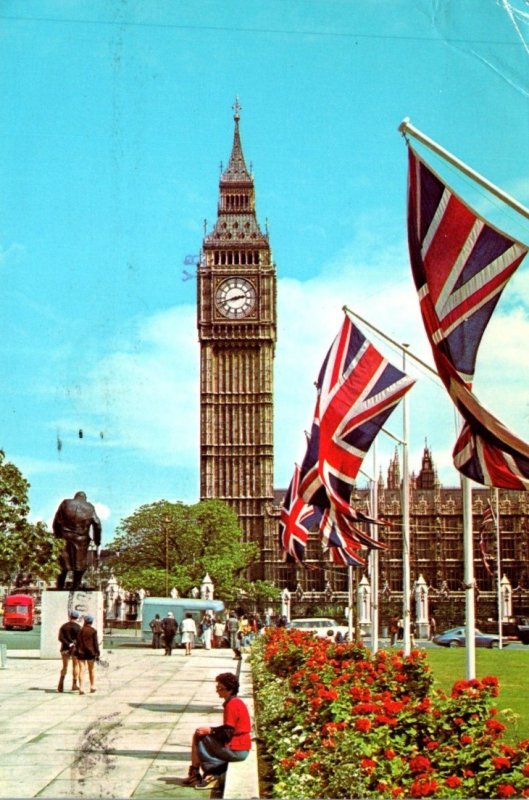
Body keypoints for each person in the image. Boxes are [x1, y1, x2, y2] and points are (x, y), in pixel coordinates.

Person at [183, 672, 252, 790]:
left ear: (229, 689)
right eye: (217, 687)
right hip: (241, 747)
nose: (217, 691)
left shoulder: (232, 704)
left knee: (200, 735)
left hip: (238, 750)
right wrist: (211, 731)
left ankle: (211, 773)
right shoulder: (235, 701)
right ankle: (196, 772)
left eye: (220, 688)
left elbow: (228, 732)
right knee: (201, 733)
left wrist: (210, 730)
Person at [53, 491, 102, 591]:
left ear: (75, 497)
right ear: (85, 499)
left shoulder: (65, 503)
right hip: (81, 538)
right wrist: (97, 541)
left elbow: (56, 522)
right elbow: (97, 524)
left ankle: (60, 585)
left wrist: (58, 536)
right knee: (80, 563)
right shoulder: (89, 507)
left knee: (63, 563)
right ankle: (76, 585)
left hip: (64, 536)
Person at [76, 613, 100, 694]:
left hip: (81, 652)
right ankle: (92, 686)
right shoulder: (93, 631)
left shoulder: (81, 630)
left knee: (82, 670)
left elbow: (78, 642)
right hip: (91, 652)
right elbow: (95, 643)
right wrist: (97, 652)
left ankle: (81, 688)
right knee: (91, 670)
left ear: (85, 621)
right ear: (91, 622)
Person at [57, 610, 81, 692]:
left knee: (64, 666)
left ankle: (61, 684)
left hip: (65, 648)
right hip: (75, 649)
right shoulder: (78, 627)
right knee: (75, 665)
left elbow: (60, 638)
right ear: (77, 618)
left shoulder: (64, 626)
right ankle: (74, 684)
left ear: (70, 616)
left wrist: (68, 643)